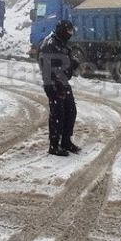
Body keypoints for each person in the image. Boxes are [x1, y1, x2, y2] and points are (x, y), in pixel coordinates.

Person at [38, 20, 82, 157]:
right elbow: (46, 65)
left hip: (63, 82)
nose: (70, 34)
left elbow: (63, 61)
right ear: (62, 30)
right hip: (54, 84)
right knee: (58, 115)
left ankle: (66, 141)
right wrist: (52, 85)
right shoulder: (50, 43)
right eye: (68, 31)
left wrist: (73, 63)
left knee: (71, 111)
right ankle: (54, 145)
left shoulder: (61, 42)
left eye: (71, 31)